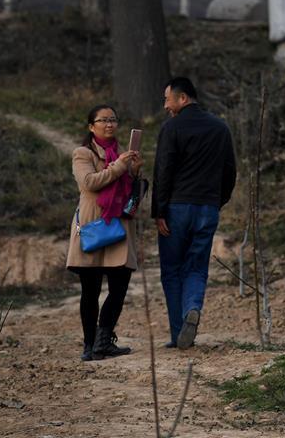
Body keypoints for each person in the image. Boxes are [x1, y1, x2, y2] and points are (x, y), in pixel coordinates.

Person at [153, 77, 236, 349]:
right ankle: (192, 307)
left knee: (172, 269)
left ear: (183, 98)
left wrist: (159, 211)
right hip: (207, 208)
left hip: (177, 208)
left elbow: (163, 171)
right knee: (197, 267)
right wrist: (217, 202)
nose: (166, 106)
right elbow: (230, 172)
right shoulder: (220, 128)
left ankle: (179, 333)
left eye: (168, 99)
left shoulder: (172, 128)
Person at [67, 105, 143, 361]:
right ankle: (89, 346)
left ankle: (104, 339)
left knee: (119, 286)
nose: (109, 124)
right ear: (91, 126)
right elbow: (89, 183)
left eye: (113, 119)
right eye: (103, 120)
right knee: (90, 290)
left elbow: (127, 188)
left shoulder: (121, 153)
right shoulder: (82, 153)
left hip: (119, 226)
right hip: (93, 226)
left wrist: (133, 171)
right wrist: (120, 168)